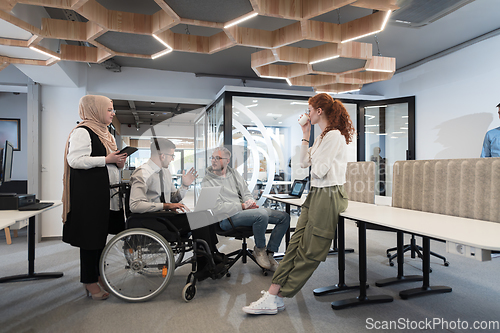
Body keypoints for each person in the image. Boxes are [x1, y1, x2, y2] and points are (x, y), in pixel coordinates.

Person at [242, 93, 355, 315]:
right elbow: (303, 162)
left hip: (329, 194)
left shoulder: (333, 136)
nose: (307, 113)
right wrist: (306, 134)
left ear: (319, 111)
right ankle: (273, 295)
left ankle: (278, 296)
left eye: (309, 109)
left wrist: (315, 154)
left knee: (310, 251)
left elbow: (320, 171)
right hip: (317, 193)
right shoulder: (322, 136)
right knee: (294, 246)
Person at [128, 138, 226, 280]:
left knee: (206, 214)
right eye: (172, 156)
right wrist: (166, 206)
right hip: (150, 219)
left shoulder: (165, 172)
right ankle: (205, 264)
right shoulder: (142, 173)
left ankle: (212, 253)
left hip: (164, 216)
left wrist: (185, 186)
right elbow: (135, 205)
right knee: (199, 218)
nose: (173, 159)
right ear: (162, 156)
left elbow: (173, 198)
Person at [62, 95, 128, 300]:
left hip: (106, 195)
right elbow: (74, 160)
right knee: (91, 240)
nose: (112, 113)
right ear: (95, 110)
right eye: (109, 109)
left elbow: (107, 162)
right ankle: (89, 282)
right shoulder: (83, 131)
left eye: (112, 109)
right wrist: (107, 159)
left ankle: (97, 275)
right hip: (90, 196)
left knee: (99, 237)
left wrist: (118, 163)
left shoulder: (106, 133)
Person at [202, 146, 290, 271]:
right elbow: (216, 208)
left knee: (284, 217)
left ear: (227, 161)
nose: (213, 161)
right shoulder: (208, 180)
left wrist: (250, 202)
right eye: (212, 158)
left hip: (243, 212)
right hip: (227, 218)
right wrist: (242, 206)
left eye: (217, 158)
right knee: (261, 215)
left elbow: (246, 192)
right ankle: (260, 249)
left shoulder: (234, 174)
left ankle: (269, 253)